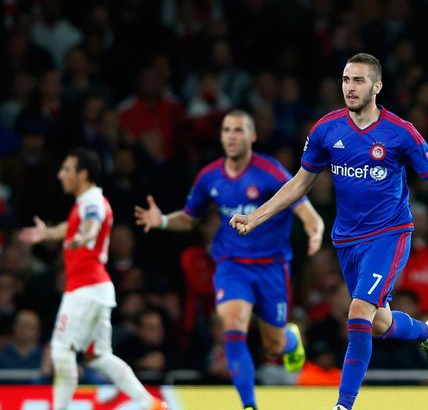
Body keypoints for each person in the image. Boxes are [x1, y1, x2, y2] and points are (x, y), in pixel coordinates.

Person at [229, 53, 428, 410]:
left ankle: (343, 406)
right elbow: (300, 183)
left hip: (390, 234)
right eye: (347, 79)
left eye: (359, 80)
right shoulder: (325, 130)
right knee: (378, 322)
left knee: (358, 312)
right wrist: (256, 217)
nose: (350, 87)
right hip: (347, 240)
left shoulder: (400, 132)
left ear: (377, 87)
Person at [134, 110, 324, 410]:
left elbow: (299, 199)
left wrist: (314, 225)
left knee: (272, 344)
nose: (231, 136)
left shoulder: (269, 171)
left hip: (271, 267)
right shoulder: (210, 176)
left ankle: (290, 340)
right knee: (232, 326)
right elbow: (189, 218)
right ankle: (249, 405)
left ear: (252, 136)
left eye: (238, 130)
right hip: (231, 265)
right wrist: (162, 221)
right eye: (226, 130)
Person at [18, 148, 166, 410]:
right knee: (98, 357)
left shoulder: (92, 202)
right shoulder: (87, 201)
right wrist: (49, 233)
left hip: (84, 290)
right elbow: (74, 224)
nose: (60, 175)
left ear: (82, 174)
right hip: (97, 289)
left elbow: (92, 223)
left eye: (66, 170)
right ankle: (151, 404)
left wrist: (86, 237)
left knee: (61, 351)